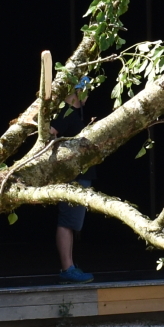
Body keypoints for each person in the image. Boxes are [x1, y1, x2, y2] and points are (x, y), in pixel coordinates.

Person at [53, 73, 98, 284]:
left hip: (80, 175)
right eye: (87, 92)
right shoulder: (66, 111)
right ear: (79, 91)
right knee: (66, 222)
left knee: (71, 224)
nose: (88, 98)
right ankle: (67, 267)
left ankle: (69, 265)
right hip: (72, 176)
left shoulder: (74, 114)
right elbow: (50, 134)